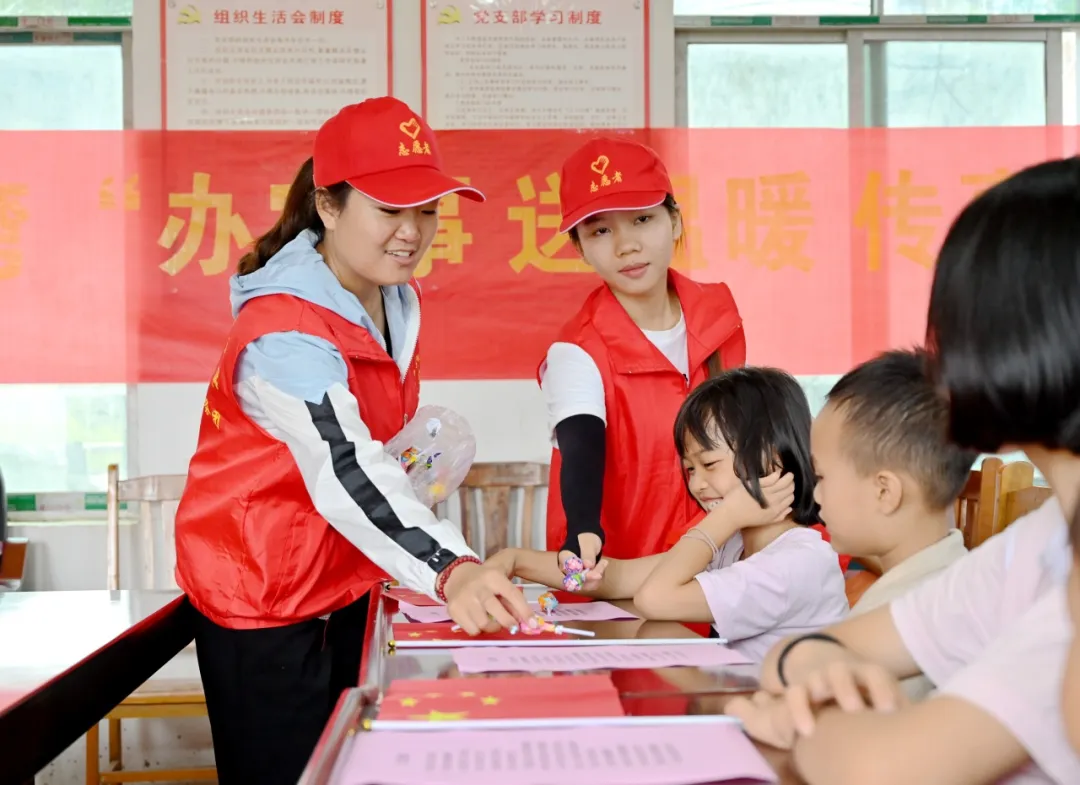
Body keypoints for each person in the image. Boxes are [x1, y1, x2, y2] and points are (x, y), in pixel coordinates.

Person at [172, 97, 531, 785]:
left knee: (353, 767)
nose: (412, 232)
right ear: (328, 206)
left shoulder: (391, 297)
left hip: (343, 578)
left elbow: (367, 449)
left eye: (428, 209)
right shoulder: (285, 332)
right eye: (389, 209)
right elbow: (345, 467)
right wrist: (451, 568)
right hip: (266, 598)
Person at [725, 157, 1080, 785]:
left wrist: (806, 716)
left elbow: (878, 769)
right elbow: (804, 652)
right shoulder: (1042, 539)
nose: (940, 359)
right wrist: (815, 672)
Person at [493, 367, 848, 661]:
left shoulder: (797, 562)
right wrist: (514, 561)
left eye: (709, 464)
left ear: (771, 460)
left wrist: (725, 518)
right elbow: (618, 578)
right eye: (690, 469)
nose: (697, 484)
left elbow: (654, 598)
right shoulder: (734, 547)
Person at [540, 136, 745, 571]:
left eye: (642, 219)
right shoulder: (576, 351)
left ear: (675, 221)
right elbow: (581, 447)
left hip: (722, 566)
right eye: (600, 230)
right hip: (623, 577)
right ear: (579, 247)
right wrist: (583, 528)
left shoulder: (719, 318)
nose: (626, 245)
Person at [811, 348, 974, 698]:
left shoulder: (904, 617)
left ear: (885, 491)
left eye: (821, 476)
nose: (816, 495)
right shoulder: (962, 578)